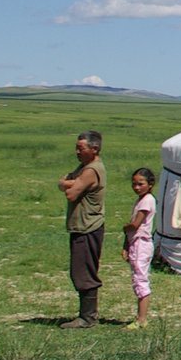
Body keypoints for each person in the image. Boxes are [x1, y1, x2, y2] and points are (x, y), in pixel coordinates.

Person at [58, 131, 105, 329]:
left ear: (94, 149)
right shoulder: (84, 167)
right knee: (80, 270)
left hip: (88, 226)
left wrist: (69, 183)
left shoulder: (91, 170)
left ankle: (88, 316)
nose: (77, 152)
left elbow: (70, 193)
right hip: (83, 226)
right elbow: (65, 182)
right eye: (76, 148)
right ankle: (86, 315)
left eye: (81, 148)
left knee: (84, 272)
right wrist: (70, 182)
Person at [123, 169, 157, 326]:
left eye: (140, 184)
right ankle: (140, 317)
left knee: (140, 279)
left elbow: (135, 224)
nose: (136, 187)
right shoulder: (140, 200)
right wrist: (126, 245)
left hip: (141, 243)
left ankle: (142, 318)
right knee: (137, 276)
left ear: (150, 184)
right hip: (135, 242)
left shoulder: (147, 200)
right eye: (134, 184)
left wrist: (125, 227)